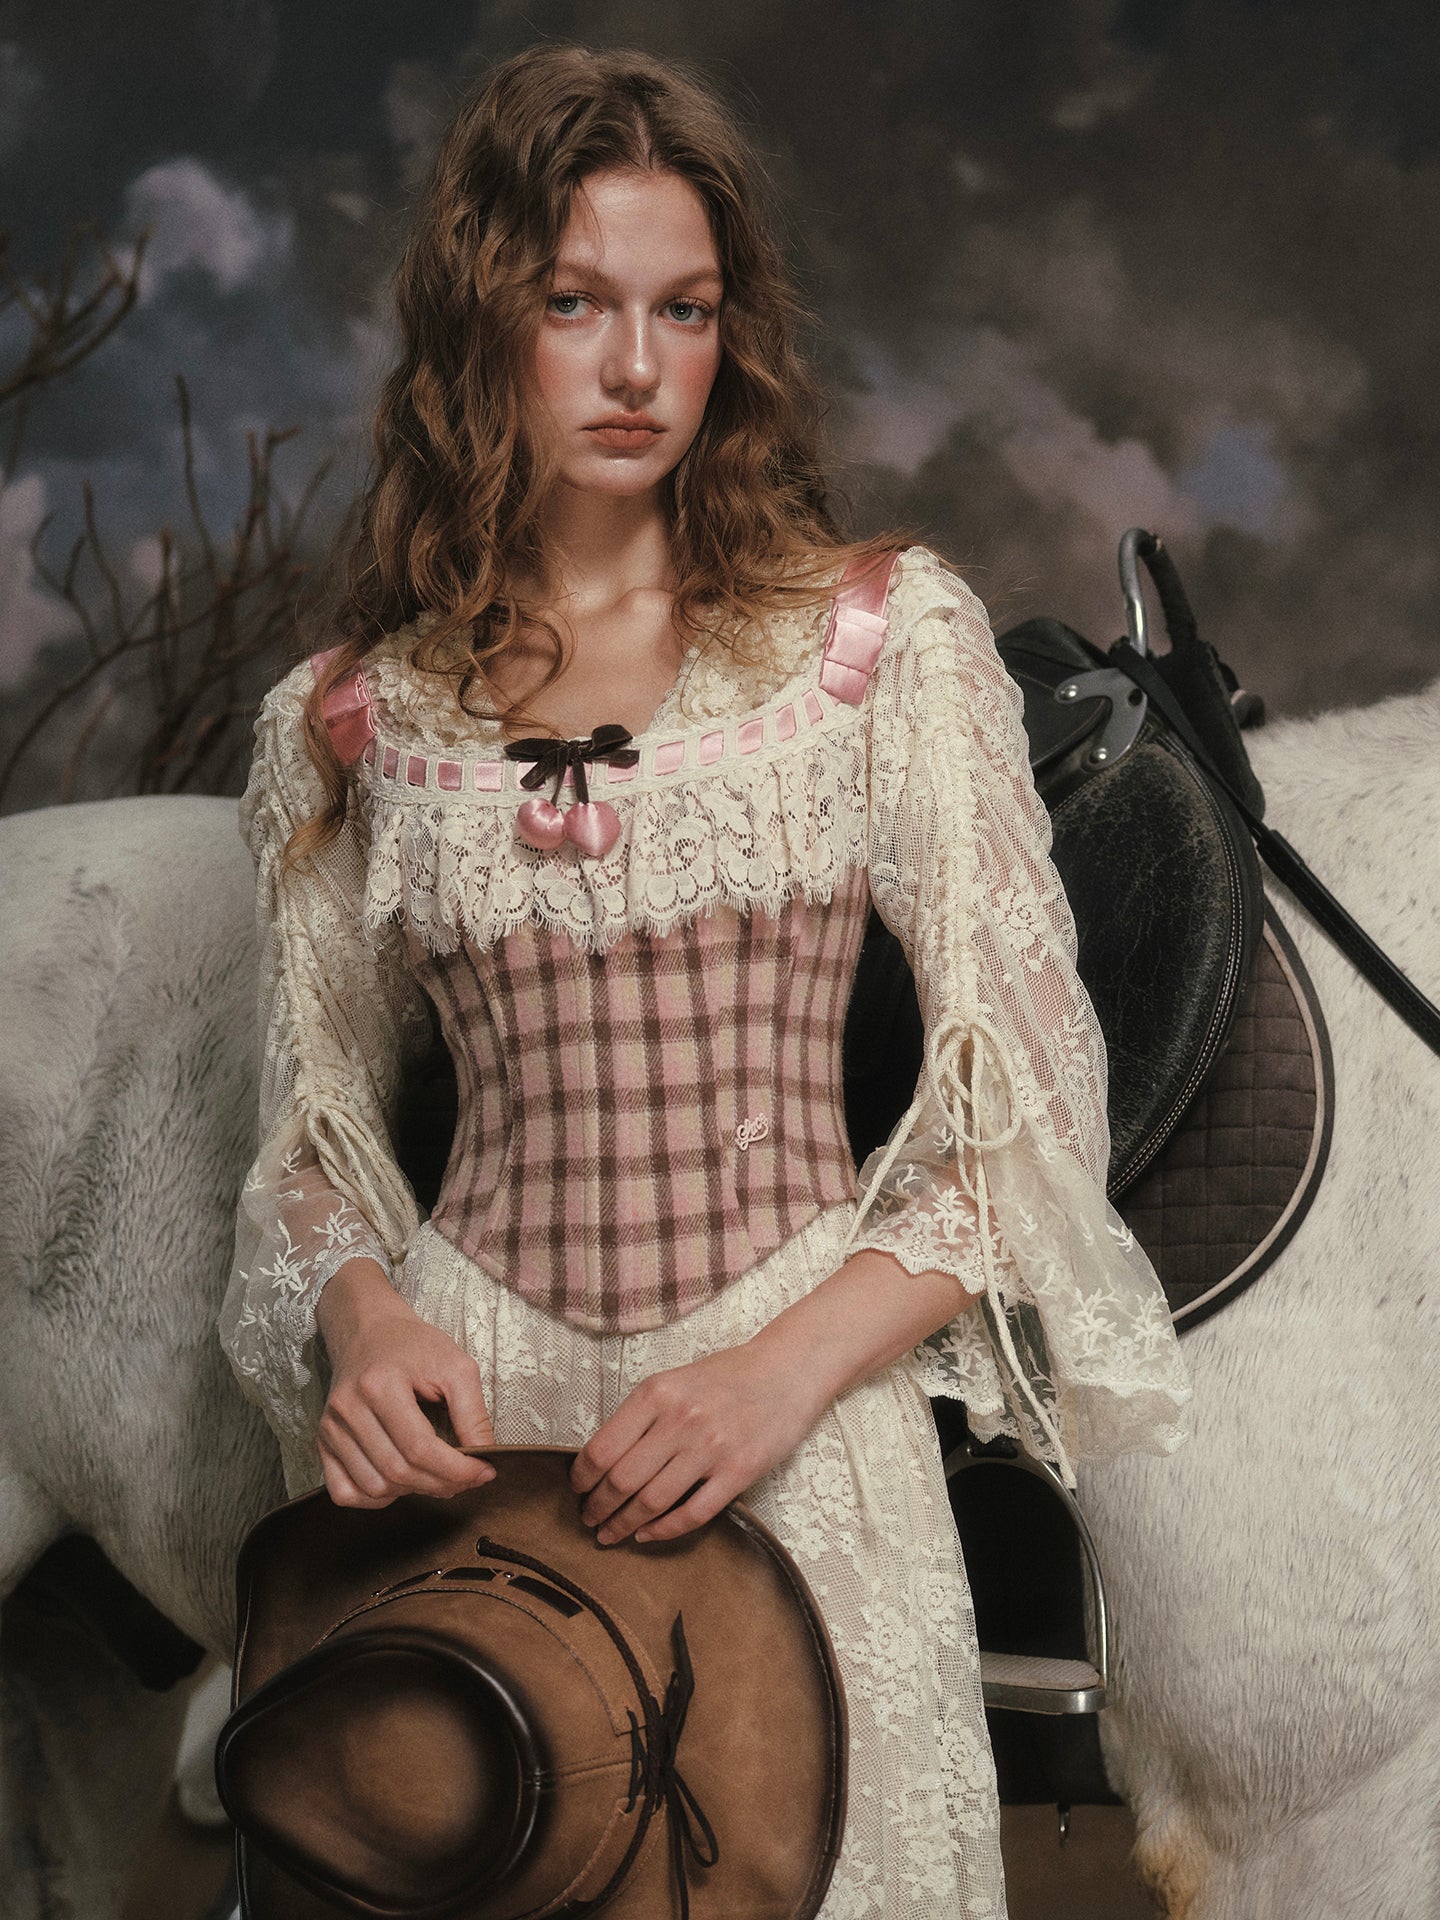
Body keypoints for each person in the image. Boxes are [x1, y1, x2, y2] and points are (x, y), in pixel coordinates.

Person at [220, 42, 1190, 1919]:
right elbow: (309, 1140)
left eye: (684, 308)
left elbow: (1025, 1109)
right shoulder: (349, 719)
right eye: (573, 303)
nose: (637, 367)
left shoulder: (875, 643)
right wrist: (366, 1324)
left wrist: (773, 1375)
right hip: (480, 1439)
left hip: (792, 1418)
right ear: (478, 324)